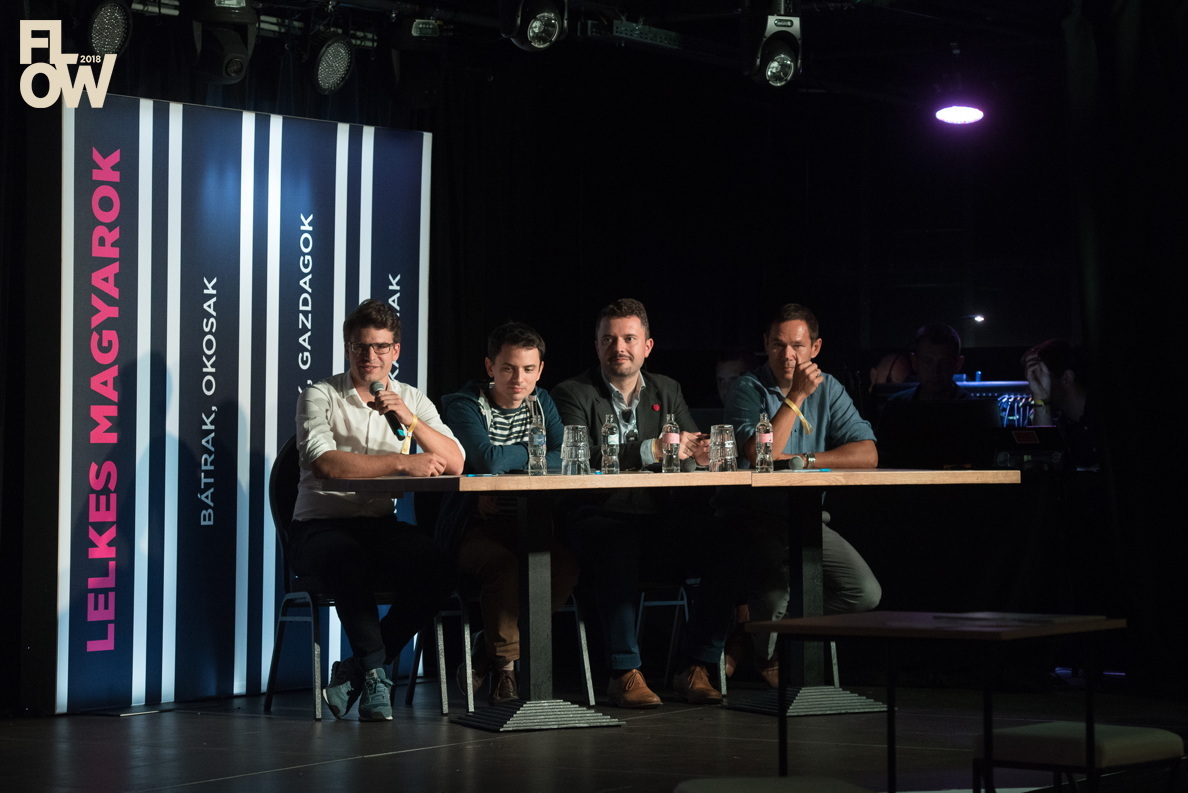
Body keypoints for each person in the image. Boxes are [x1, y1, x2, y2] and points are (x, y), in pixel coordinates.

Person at [552, 298, 735, 708]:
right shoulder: (572, 393)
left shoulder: (667, 389)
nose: (619, 347)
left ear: (647, 346)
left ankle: (697, 665)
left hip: (655, 516)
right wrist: (651, 449)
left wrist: (701, 453)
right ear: (596, 346)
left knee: (725, 539)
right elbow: (578, 456)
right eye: (608, 339)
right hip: (595, 516)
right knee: (617, 540)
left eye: (629, 338)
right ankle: (624, 672)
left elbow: (688, 445)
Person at [288, 299, 464, 721]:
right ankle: (373, 675)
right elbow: (325, 463)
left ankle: (360, 669)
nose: (370, 356)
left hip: (378, 525)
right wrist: (402, 463)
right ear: (347, 348)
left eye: (381, 347)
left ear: (396, 350)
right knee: (348, 559)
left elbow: (456, 462)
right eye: (360, 346)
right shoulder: (320, 395)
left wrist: (411, 421)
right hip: (318, 526)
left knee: (440, 568)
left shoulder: (411, 398)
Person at [720, 303, 882, 685]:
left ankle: (758, 632)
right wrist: (794, 398)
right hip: (753, 517)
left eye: (797, 346)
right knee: (773, 595)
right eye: (778, 345)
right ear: (766, 344)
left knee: (864, 593)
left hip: (807, 518)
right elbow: (761, 454)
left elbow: (868, 454)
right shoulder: (747, 388)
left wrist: (805, 461)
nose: (788, 355)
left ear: (816, 348)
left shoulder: (829, 388)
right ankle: (765, 649)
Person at [437, 322, 579, 705]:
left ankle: (491, 646)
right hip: (472, 526)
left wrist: (510, 458)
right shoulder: (464, 404)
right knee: (505, 568)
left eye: (528, 369)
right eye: (508, 368)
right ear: (490, 367)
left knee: (563, 567)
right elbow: (486, 459)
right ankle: (505, 672)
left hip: (527, 523)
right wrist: (534, 454)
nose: (519, 379)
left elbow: (566, 455)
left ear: (540, 370)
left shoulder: (541, 401)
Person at [1022, 338, 1097, 471]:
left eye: (1040, 377)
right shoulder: (1062, 425)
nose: (1032, 389)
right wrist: (1041, 399)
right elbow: (1043, 464)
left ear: (1066, 378)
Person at [887, 323, 969, 401]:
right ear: (914, 362)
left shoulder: (972, 407)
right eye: (927, 362)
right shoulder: (897, 404)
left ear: (958, 364)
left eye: (944, 363)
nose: (935, 372)